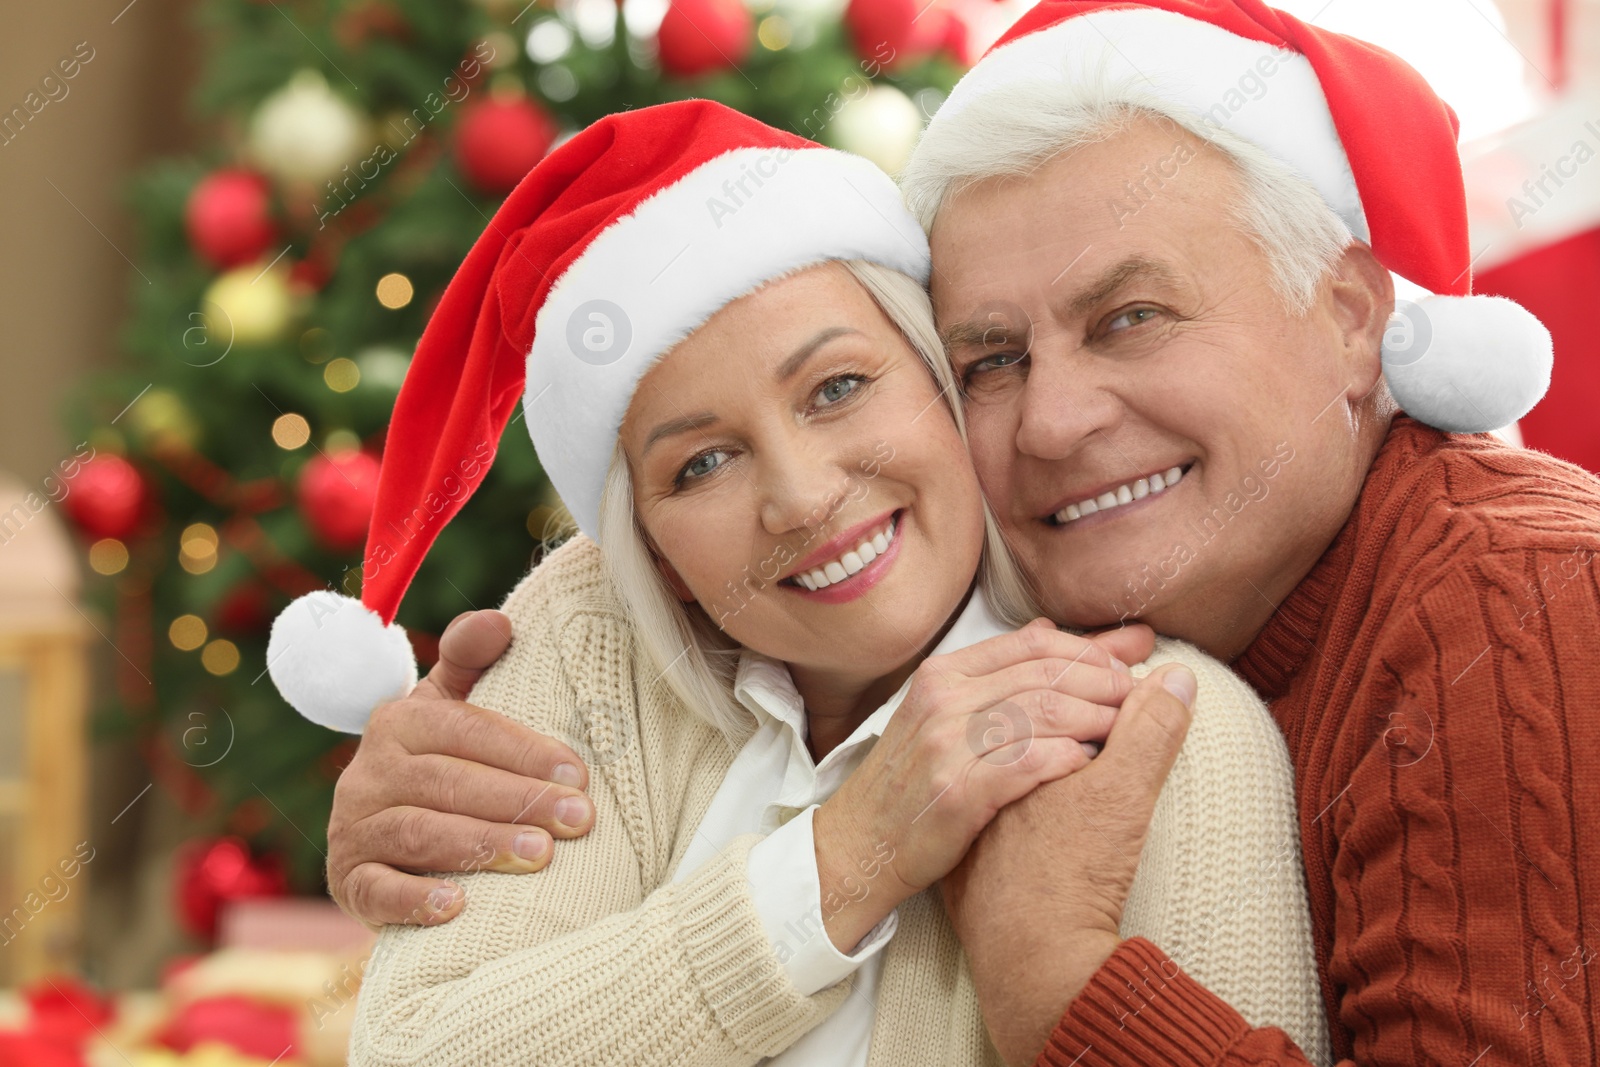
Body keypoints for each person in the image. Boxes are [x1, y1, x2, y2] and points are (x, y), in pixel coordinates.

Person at [318, 1, 1600, 1065]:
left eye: (1131, 317)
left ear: (1351, 316)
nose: (1049, 421)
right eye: (990, 357)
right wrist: (840, 856)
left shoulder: (1498, 611)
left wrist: (1053, 966)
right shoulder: (597, 632)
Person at [266, 100, 1329, 1064]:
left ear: (942, 380)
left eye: (838, 387)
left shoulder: (1163, 731)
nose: (803, 497)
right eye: (701, 464)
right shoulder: (591, 646)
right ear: (658, 557)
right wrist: (845, 855)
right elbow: (415, 1049)